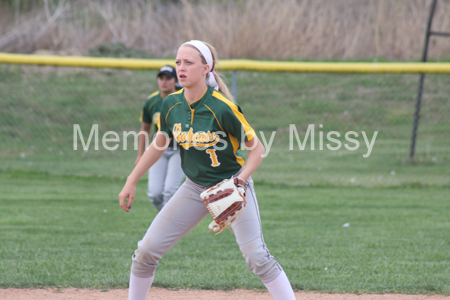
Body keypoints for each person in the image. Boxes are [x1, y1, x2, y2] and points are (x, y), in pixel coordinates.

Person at [119, 40, 296, 300]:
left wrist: (240, 182)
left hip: (230, 186)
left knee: (257, 257)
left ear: (205, 68)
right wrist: (131, 179)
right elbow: (159, 143)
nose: (181, 68)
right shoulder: (170, 105)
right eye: (178, 62)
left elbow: (257, 150)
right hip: (193, 188)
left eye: (188, 63)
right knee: (146, 251)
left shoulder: (221, 107)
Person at [136, 65, 185, 211]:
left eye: (168, 78)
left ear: (175, 81)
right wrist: (140, 155)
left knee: (170, 192)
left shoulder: (184, 98)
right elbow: (145, 128)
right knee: (155, 194)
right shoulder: (152, 102)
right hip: (159, 150)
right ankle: (168, 223)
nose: (164, 82)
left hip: (180, 150)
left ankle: (169, 227)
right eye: (161, 78)